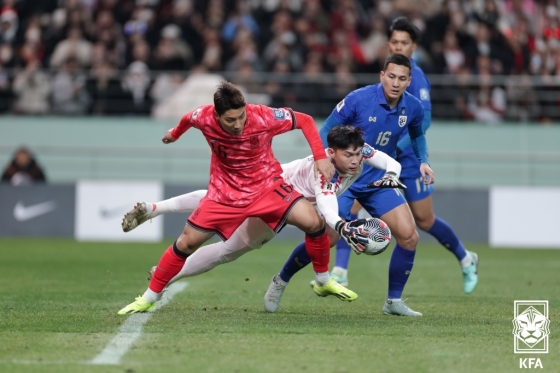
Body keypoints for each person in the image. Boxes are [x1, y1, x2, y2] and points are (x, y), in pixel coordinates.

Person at [118, 81, 354, 314]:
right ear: (217, 116)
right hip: (225, 193)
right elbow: (189, 118)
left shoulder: (262, 116)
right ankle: (150, 296)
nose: (238, 124)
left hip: (266, 188)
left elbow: (304, 120)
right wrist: (175, 133)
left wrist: (319, 157)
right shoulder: (204, 116)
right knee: (186, 243)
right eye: (230, 120)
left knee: (314, 222)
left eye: (241, 116)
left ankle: (322, 281)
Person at [121, 126, 405, 310]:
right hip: (277, 201)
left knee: (216, 196)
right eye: (349, 156)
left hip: (267, 180)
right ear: (330, 153)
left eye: (358, 155)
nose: (356, 161)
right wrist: (343, 226)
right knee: (226, 251)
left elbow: (389, 161)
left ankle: (155, 209)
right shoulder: (326, 172)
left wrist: (393, 175)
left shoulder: (358, 152)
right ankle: (169, 274)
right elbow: (327, 207)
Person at [265, 54, 434, 316]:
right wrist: (323, 162)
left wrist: (423, 161)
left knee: (410, 236)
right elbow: (325, 131)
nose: (396, 83)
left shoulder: (412, 107)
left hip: (377, 181)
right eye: (391, 76)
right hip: (343, 179)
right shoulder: (358, 99)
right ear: (382, 75)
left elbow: (417, 134)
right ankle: (281, 281)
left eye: (402, 78)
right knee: (326, 238)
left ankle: (393, 302)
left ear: (409, 81)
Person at [331, 17, 478, 295]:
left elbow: (423, 123)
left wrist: (394, 150)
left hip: (406, 159)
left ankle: (466, 258)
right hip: (379, 159)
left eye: (405, 42)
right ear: (389, 44)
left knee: (424, 220)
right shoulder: (387, 75)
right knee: (349, 207)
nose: (399, 46)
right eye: (395, 42)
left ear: (414, 46)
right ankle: (341, 270)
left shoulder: (417, 78)